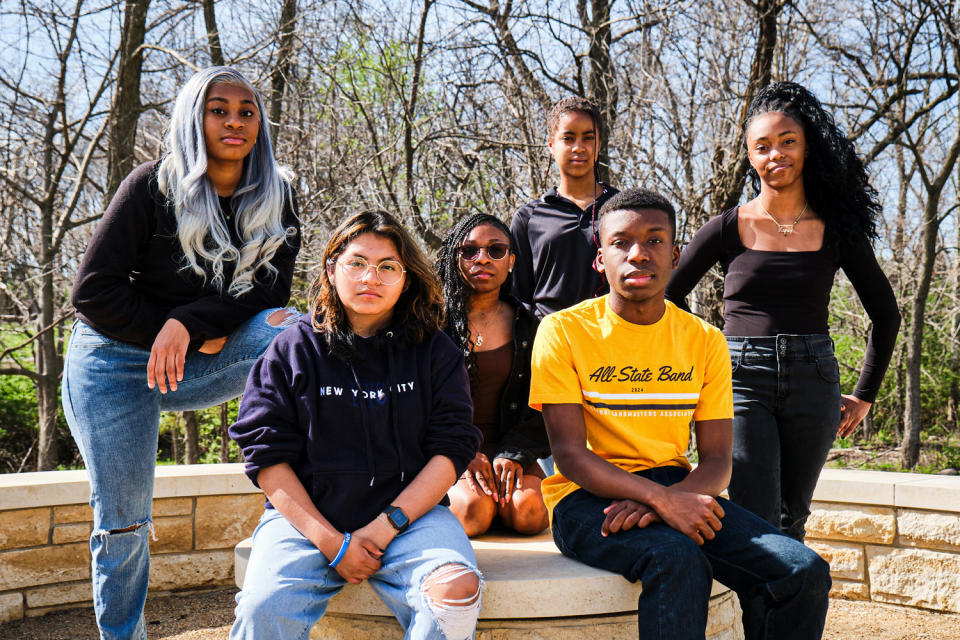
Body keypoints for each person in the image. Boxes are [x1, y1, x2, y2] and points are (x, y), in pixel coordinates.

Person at [63, 66, 300, 640]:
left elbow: (270, 293)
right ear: (195, 117)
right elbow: (92, 291)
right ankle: (124, 635)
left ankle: (316, 489)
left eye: (247, 112)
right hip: (112, 368)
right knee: (124, 524)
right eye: (219, 109)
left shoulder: (278, 196)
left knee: (290, 329)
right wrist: (162, 327)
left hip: (193, 361)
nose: (235, 121)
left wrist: (187, 324)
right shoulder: (153, 185)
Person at [530, 187, 831, 640]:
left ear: (674, 255)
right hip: (584, 499)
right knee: (677, 558)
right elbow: (570, 455)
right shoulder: (562, 331)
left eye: (654, 241)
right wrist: (661, 502)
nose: (638, 254)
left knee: (802, 569)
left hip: (678, 484)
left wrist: (670, 498)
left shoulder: (704, 340)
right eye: (621, 242)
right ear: (600, 260)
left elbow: (716, 461)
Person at [228, 210, 484, 640]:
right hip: (308, 520)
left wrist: (385, 527)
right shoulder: (290, 350)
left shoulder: (435, 352)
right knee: (262, 607)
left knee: (456, 591)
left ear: (406, 279)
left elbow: (451, 451)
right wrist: (333, 543)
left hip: (412, 520)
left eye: (388, 267)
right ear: (332, 269)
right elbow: (266, 458)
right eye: (357, 263)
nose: (372, 277)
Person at [665, 82, 901, 541]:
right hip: (740, 378)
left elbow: (886, 315)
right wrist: (705, 359)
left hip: (814, 380)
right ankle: (759, 612)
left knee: (794, 517)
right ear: (750, 157)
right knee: (756, 517)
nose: (776, 154)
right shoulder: (725, 228)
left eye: (788, 142)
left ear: (807, 148)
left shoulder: (836, 231)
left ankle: (794, 613)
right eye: (763, 146)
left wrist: (864, 394)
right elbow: (667, 301)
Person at [437, 213, 550, 537]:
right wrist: (460, 451)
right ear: (454, 258)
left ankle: (498, 498)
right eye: (469, 251)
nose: (482, 258)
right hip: (451, 449)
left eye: (495, 250)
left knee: (529, 513)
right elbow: (417, 404)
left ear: (511, 261)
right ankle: (484, 500)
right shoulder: (431, 325)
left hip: (512, 450)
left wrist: (515, 454)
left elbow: (548, 404)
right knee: (472, 512)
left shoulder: (532, 326)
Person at [511, 97, 620, 318]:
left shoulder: (624, 210)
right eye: (568, 138)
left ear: (598, 145)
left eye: (588, 138)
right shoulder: (528, 218)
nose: (578, 147)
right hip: (550, 342)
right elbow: (518, 297)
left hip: (612, 341)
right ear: (551, 144)